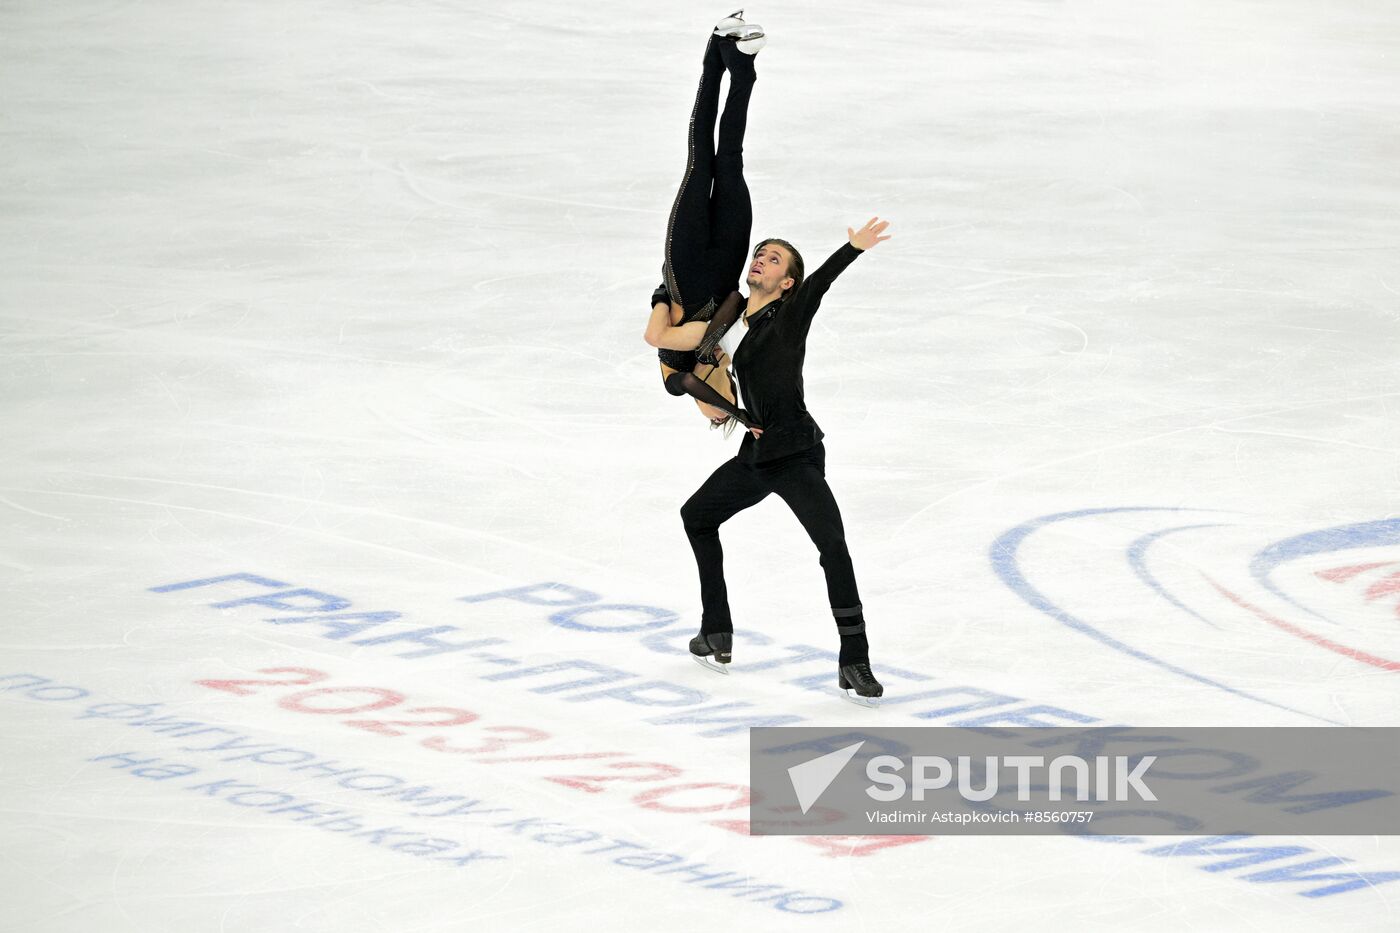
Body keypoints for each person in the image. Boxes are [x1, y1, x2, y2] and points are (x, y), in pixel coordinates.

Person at [682, 217, 893, 706]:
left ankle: (854, 658)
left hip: (796, 454)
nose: (761, 260)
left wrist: (852, 248)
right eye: (760, 254)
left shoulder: (789, 316)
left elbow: (819, 285)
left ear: (787, 283)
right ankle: (716, 629)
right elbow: (684, 380)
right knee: (697, 516)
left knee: (832, 546)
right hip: (757, 455)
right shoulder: (730, 326)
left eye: (774, 259)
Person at [643, 14, 767, 433]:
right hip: (727, 258)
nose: (716, 414)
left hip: (686, 263)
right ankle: (743, 66)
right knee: (730, 160)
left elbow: (655, 337)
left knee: (700, 161)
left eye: (714, 418)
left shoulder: (677, 381)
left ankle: (715, 55)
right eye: (722, 415)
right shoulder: (728, 352)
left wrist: (663, 294)